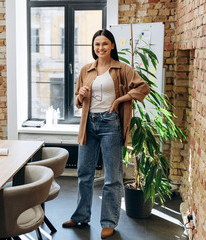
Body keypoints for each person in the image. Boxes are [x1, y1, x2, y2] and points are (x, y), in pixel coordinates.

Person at [62, 29, 150, 239]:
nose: (100, 48)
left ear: (111, 46)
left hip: (110, 124)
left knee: (112, 176)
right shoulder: (86, 69)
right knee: (84, 173)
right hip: (88, 125)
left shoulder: (122, 69)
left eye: (104, 44)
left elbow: (143, 88)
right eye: (96, 44)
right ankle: (81, 215)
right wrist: (81, 95)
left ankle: (109, 221)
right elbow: (77, 100)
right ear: (93, 48)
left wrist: (120, 100)